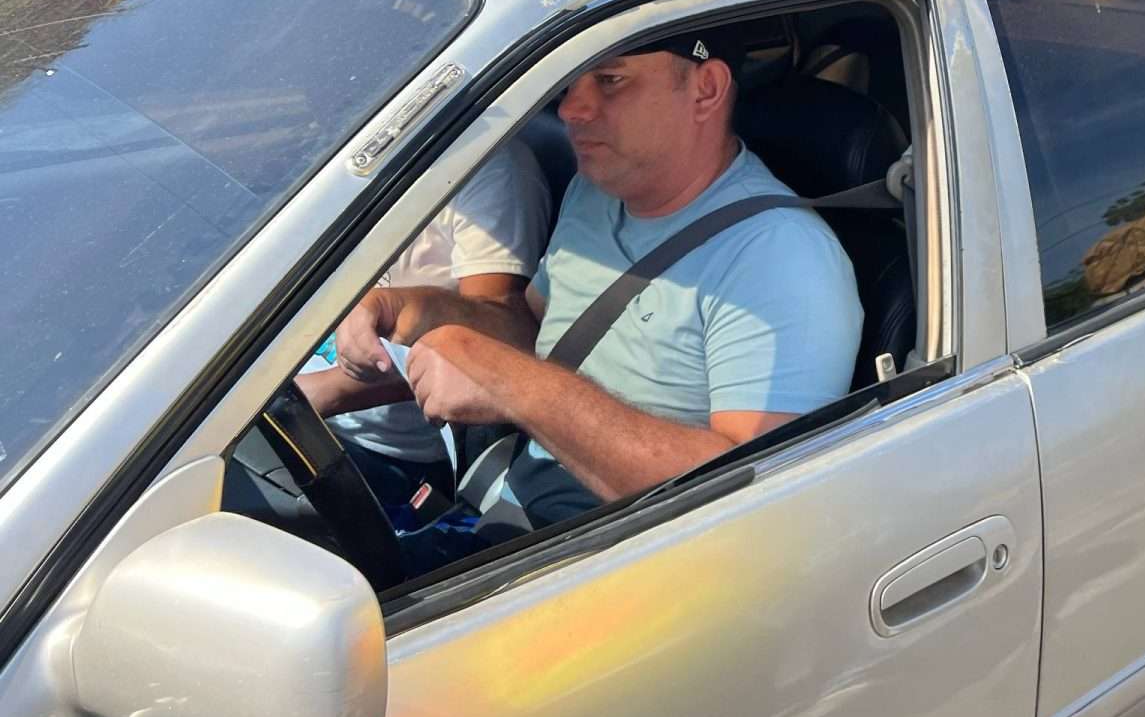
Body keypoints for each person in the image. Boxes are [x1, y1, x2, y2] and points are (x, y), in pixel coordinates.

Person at [335, 31, 862, 562]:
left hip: (622, 566)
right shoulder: (596, 190)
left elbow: (751, 496)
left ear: (705, 89)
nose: (570, 109)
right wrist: (415, 309)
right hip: (509, 514)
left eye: (610, 80)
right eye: (571, 83)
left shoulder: (781, 259)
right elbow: (533, 330)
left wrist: (512, 383)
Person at [296, 140, 551, 515]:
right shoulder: (353, 149)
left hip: (378, 449)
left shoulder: (489, 169)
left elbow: (496, 344)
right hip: (292, 396)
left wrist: (320, 395)